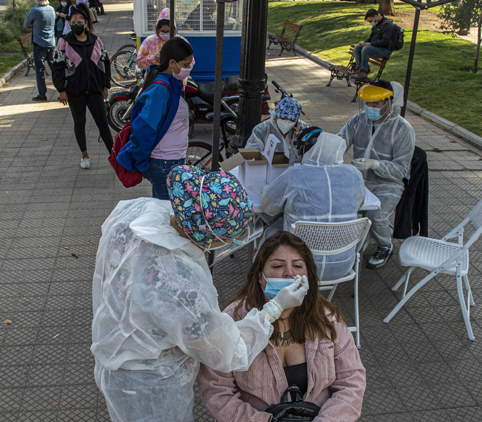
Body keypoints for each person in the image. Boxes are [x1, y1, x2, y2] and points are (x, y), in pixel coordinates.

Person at [92, 165, 311, 422]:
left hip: (119, 351)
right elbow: (227, 352)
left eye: (297, 266)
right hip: (149, 386)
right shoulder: (182, 288)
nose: (288, 272)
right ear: (209, 235)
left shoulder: (136, 212)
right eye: (231, 237)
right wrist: (273, 309)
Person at [198, 232, 366, 422]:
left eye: (297, 266)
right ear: (260, 277)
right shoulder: (233, 319)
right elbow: (217, 391)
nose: (289, 273)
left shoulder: (326, 317)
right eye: (277, 266)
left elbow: (352, 381)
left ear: (308, 278)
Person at [260, 130, 365, 280]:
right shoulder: (355, 174)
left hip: (297, 268)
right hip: (343, 265)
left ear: (304, 150)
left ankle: (261, 283)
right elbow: (360, 204)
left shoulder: (295, 174)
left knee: (272, 229)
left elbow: (268, 207)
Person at [338, 80, 414, 269]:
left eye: (375, 104)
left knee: (377, 215)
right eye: (368, 104)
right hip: (358, 179)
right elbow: (340, 142)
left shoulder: (403, 129)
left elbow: (401, 170)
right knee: (339, 207)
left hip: (388, 184)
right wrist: (325, 148)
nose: (370, 108)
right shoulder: (358, 120)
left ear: (389, 102)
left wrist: (376, 164)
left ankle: (385, 245)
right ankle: (349, 244)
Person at [117, 38, 192, 201]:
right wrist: (142, 163)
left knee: (161, 213)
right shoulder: (161, 89)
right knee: (166, 215)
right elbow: (144, 129)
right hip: (164, 163)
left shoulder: (169, 84)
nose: (189, 69)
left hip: (168, 161)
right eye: (186, 65)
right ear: (172, 63)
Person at [52, 4, 113, 169]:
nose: (76, 24)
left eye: (80, 21)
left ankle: (114, 157)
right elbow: (57, 67)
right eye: (73, 22)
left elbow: (105, 63)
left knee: (103, 123)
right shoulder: (64, 42)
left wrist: (106, 84)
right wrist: (61, 90)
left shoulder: (96, 41)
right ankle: (84, 155)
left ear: (86, 23)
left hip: (94, 89)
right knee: (79, 122)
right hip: (74, 91)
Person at [245, 97, 308, 165]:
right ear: (276, 115)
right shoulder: (262, 129)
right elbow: (250, 153)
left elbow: (310, 157)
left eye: (291, 121)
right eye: (283, 118)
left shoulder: (303, 129)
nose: (287, 122)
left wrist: (296, 141)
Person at [23, 0, 55, 102]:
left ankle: (42, 94)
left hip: (39, 43)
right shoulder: (51, 9)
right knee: (55, 69)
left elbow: (26, 24)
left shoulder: (35, 10)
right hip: (51, 43)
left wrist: (33, 24)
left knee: (40, 70)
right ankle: (62, 89)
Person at [351, 8, 394, 80]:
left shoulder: (387, 25)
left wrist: (370, 44)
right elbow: (371, 37)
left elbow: (385, 41)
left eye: (371, 21)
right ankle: (358, 69)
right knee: (357, 47)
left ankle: (363, 72)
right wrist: (364, 43)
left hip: (385, 49)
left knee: (366, 49)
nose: (371, 23)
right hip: (376, 47)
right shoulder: (376, 25)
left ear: (376, 16)